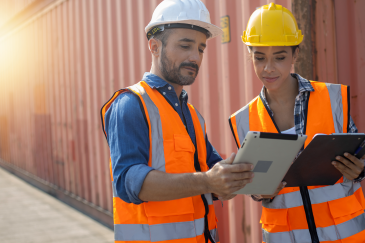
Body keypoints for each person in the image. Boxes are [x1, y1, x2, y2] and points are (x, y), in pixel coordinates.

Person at [100, 1, 254, 242]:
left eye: (201, 49)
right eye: (185, 46)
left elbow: (213, 178)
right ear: (154, 47)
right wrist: (208, 180)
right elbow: (129, 182)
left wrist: (242, 177)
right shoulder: (130, 105)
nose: (195, 57)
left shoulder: (191, 114)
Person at [229, 3, 365, 243]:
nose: (268, 68)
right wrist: (259, 192)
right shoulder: (243, 120)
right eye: (259, 58)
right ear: (250, 55)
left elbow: (360, 158)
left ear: (295, 54)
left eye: (279, 57)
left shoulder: (333, 98)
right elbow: (252, 187)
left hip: (344, 235)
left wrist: (360, 169)